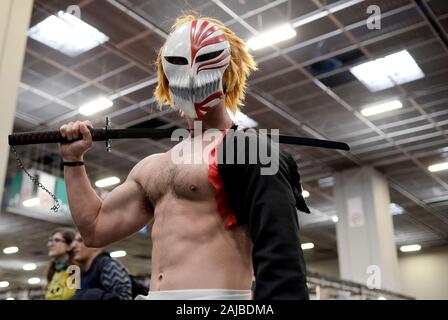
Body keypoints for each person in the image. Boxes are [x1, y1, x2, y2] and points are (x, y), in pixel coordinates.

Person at [59, 15, 310, 300]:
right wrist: (72, 160)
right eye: (178, 62)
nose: (191, 74)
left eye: (206, 58)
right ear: (165, 75)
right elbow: (94, 229)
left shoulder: (249, 150)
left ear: (229, 70)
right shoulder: (154, 166)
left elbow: (282, 259)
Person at [70, 232, 132, 300]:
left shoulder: (108, 266)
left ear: (96, 246)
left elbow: (124, 298)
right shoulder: (83, 272)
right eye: (74, 241)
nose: (73, 245)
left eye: (80, 240)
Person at [45, 228, 76, 300]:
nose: (50, 244)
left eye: (57, 240)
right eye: (50, 241)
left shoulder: (75, 270)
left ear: (69, 246)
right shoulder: (52, 273)